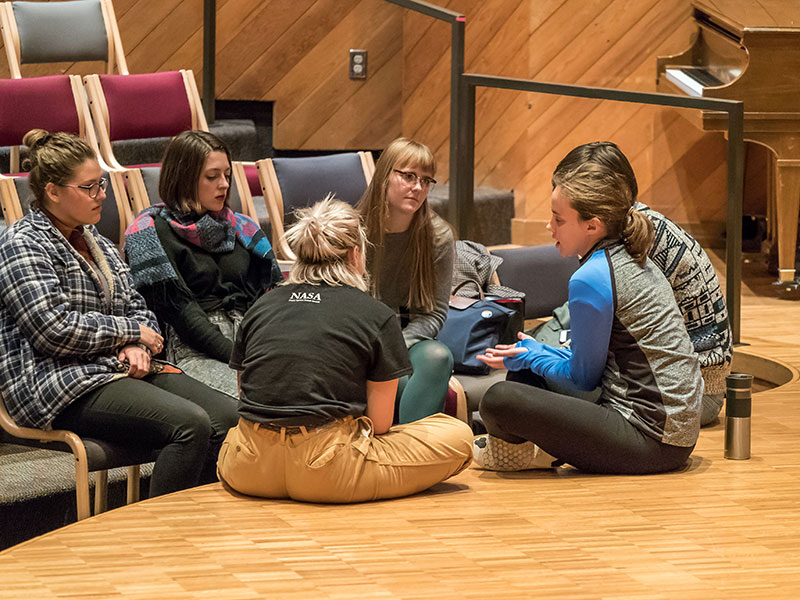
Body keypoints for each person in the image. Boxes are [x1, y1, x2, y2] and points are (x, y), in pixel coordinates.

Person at [0, 130, 238, 496]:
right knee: (189, 425)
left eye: (103, 184)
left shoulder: (95, 239)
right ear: (53, 191)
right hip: (58, 382)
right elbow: (53, 329)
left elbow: (137, 305)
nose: (102, 195)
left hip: (114, 367)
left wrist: (136, 342)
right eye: (90, 187)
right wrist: (129, 334)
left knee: (228, 418)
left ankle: (199, 526)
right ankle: (161, 537)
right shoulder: (21, 243)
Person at [216, 197, 472, 502]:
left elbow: (248, 393)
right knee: (458, 437)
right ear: (356, 254)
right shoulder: (374, 314)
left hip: (245, 466)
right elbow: (380, 424)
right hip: (327, 470)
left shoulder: (261, 307)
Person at [472, 143, 703, 475]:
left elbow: (583, 378)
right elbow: (594, 369)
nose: (550, 227)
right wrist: (533, 352)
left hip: (652, 441)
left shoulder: (590, 278)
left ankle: (515, 454)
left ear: (592, 226)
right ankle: (526, 452)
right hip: (671, 432)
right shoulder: (625, 251)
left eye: (558, 219)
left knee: (499, 399)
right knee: (524, 374)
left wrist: (531, 354)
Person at [531, 142, 732, 425]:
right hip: (675, 384)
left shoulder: (637, 236)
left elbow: (591, 362)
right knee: (542, 346)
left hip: (692, 394)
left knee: (537, 361)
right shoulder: (632, 222)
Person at [124, 130, 282, 398]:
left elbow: (270, 299)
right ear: (184, 179)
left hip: (252, 337)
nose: (223, 184)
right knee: (260, 398)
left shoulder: (241, 227)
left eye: (227, 175)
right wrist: (242, 358)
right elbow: (184, 316)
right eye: (212, 176)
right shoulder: (150, 233)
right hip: (194, 348)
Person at [357, 138, 455, 423]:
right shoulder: (354, 231)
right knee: (394, 384)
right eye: (409, 176)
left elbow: (435, 313)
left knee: (438, 357)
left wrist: (395, 346)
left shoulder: (438, 237)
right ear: (385, 175)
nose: (418, 187)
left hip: (409, 340)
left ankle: (410, 455)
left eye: (426, 180)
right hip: (361, 343)